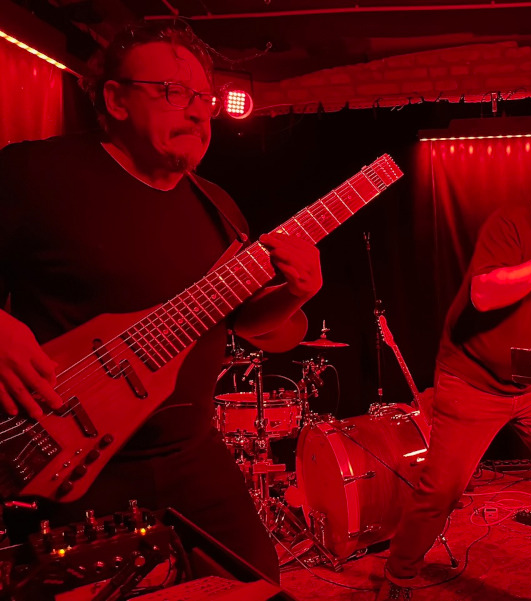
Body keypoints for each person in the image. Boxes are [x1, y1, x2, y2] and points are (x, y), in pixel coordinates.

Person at [0, 22, 322, 582]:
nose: (198, 112)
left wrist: (298, 292)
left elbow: (243, 323)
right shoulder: (34, 175)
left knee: (258, 585)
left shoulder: (218, 208)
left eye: (204, 98)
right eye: (174, 92)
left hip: (191, 455)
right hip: (68, 462)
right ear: (116, 99)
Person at [377, 156, 531, 601]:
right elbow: (484, 294)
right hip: (473, 377)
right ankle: (399, 575)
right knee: (442, 490)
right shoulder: (511, 222)